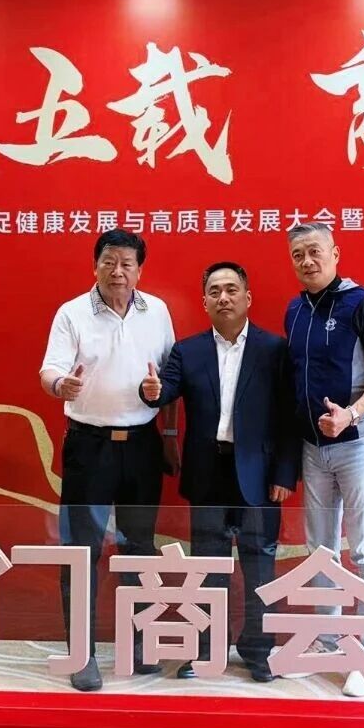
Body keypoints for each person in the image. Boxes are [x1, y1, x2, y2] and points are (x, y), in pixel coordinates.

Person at [139, 261, 299, 682]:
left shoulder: (274, 349)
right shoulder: (188, 351)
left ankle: (259, 651)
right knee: (208, 567)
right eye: (214, 291)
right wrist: (150, 391)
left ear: (247, 298)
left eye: (231, 289)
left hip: (260, 476)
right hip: (208, 472)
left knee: (260, 566)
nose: (223, 297)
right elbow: (164, 390)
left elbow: (288, 417)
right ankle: (207, 651)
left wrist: (285, 474)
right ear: (205, 301)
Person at [39, 229, 180, 692]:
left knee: (139, 548)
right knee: (82, 550)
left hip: (141, 446)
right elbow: (50, 369)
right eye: (109, 262)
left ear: (140, 270)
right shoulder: (72, 312)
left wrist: (168, 426)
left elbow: (170, 378)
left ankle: (137, 645)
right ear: (95, 265)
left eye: (127, 263)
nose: (118, 271)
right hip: (89, 445)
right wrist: (61, 385)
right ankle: (82, 655)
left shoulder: (157, 311)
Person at [284, 223, 364, 697]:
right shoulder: (295, 310)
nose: (307, 261)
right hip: (314, 449)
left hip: (358, 444)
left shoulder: (362, 304)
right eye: (297, 255)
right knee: (320, 551)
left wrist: (350, 414)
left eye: (315, 251)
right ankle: (327, 641)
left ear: (335, 253)